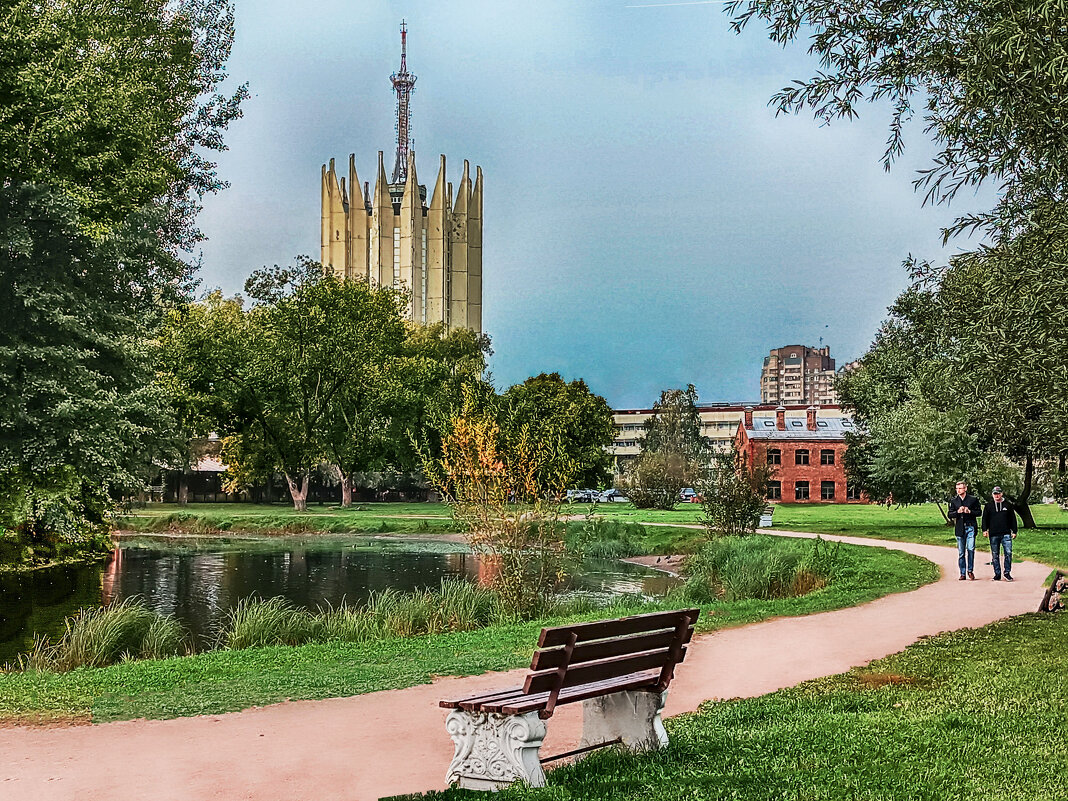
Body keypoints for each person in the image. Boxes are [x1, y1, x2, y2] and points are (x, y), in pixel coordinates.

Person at [948, 481, 982, 580]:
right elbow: (950, 514)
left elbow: (979, 512)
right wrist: (957, 512)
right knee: (961, 552)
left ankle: (970, 570)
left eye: (960, 488)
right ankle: (962, 573)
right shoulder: (954, 501)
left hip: (970, 527)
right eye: (957, 488)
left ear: (965, 489)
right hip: (960, 528)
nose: (958, 490)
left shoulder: (973, 499)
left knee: (971, 549)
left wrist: (969, 511)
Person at [982, 486, 1018, 581]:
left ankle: (1007, 573)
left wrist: (1014, 531)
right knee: (995, 554)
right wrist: (984, 530)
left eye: (998, 493)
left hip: (1006, 533)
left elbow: (1013, 519)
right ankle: (997, 574)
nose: (996, 495)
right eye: (995, 494)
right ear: (992, 495)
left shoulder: (1008, 505)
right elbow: (984, 519)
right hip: (993, 534)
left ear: (1001, 494)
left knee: (1008, 553)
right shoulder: (988, 506)